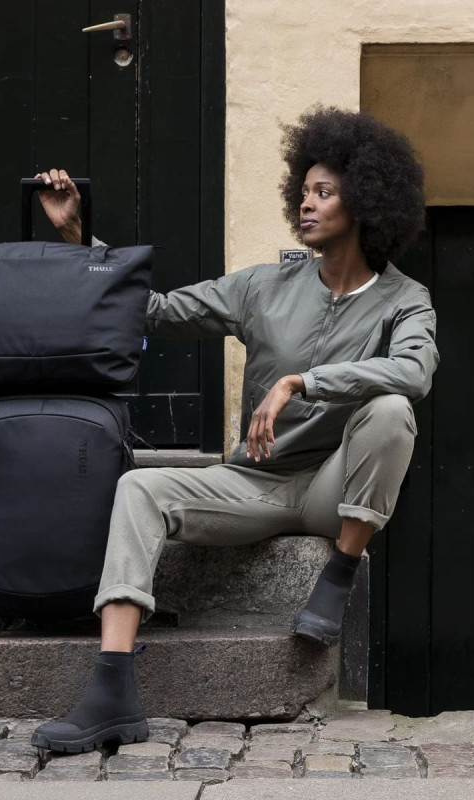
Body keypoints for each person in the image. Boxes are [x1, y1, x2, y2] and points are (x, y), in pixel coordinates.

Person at [30, 106, 438, 754]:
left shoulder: (405, 299)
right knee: (139, 489)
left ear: (364, 203)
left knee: (391, 410)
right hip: (254, 482)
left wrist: (301, 381)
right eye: (303, 191)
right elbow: (155, 311)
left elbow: (414, 371)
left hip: (332, 488)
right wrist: (81, 239)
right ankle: (112, 692)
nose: (306, 203)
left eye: (324, 192)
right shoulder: (262, 287)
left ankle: (337, 578)